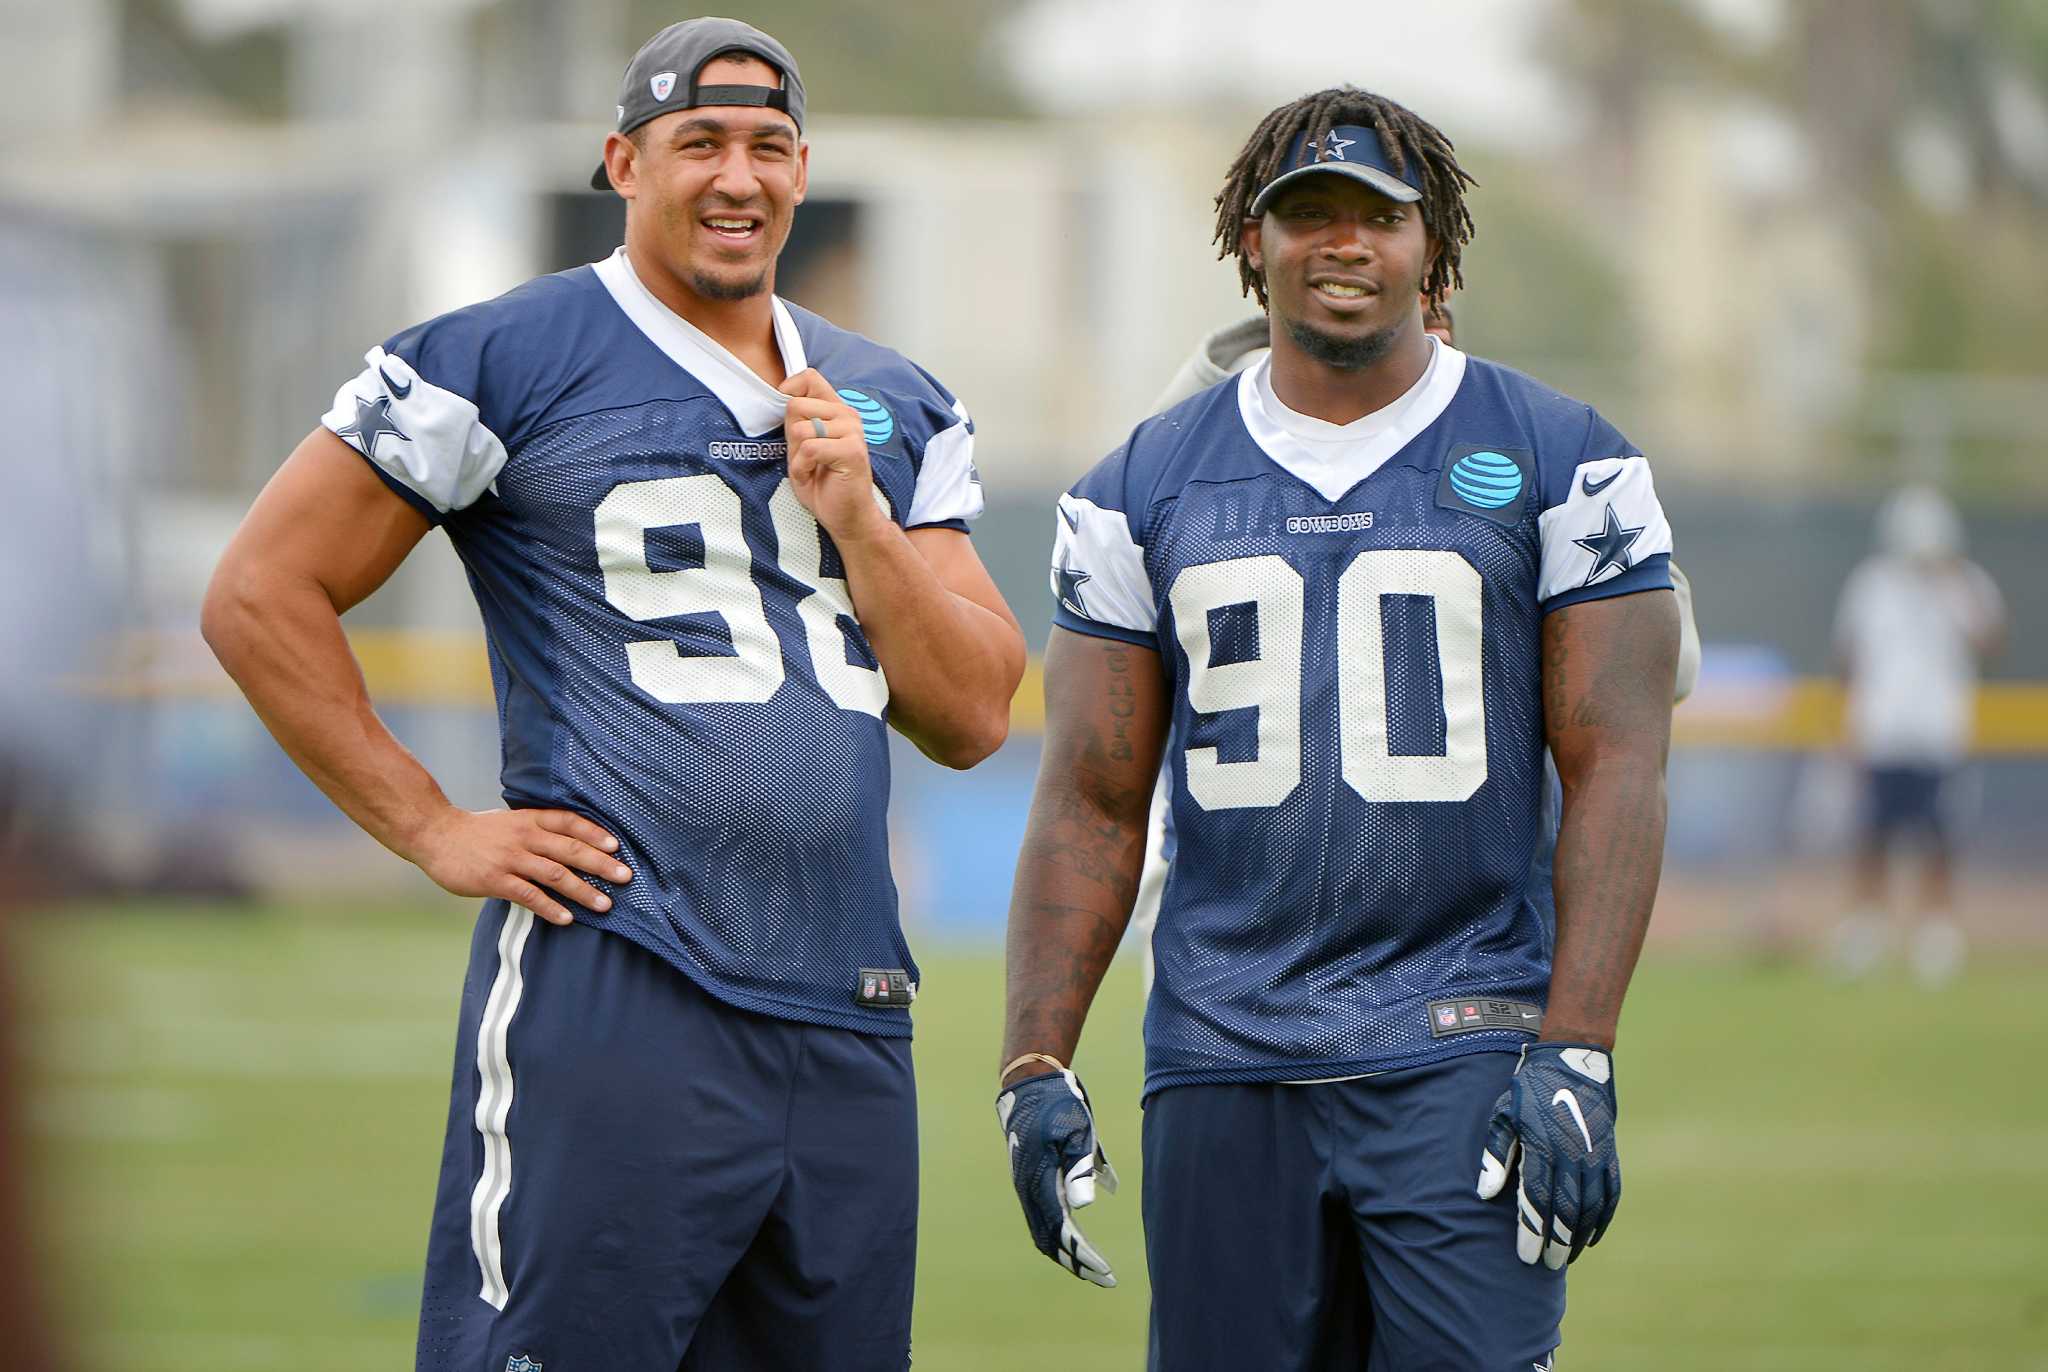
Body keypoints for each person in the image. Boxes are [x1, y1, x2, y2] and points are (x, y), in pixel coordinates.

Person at [202, 18, 1024, 1370]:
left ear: (803, 172)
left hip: (850, 1002)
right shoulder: (503, 357)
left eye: (766, 147)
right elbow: (258, 593)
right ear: (623, 163)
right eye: (697, 142)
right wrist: (430, 826)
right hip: (626, 979)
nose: (736, 177)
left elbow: (974, 712)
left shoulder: (888, 397)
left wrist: (863, 525)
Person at [996, 88, 1680, 1369]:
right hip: (1220, 1054)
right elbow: (1089, 798)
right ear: (1250, 243)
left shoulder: (1559, 455)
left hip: (1459, 1041)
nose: (1342, 243)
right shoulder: (1138, 484)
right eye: (1306, 214)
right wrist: (1035, 1058)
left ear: (1435, 246)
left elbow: (1616, 767)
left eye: (1377, 216)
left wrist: (1577, 1048)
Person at [1131, 297, 1701, 995]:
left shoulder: (1508, 464)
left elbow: (1672, 665)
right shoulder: (1209, 467)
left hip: (1461, 945)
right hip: (1232, 933)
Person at [1829, 485, 2003, 985]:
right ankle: (1867, 928)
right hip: (1881, 731)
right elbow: (1849, 656)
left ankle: (1936, 933)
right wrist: (1843, 725)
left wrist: (1951, 587)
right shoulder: (1872, 584)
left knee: (1938, 837)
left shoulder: (1966, 584)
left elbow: (1991, 640)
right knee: (1872, 836)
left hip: (1939, 733)